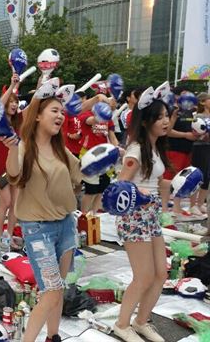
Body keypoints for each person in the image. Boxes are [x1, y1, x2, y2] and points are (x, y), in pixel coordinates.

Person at [4, 86, 82, 342]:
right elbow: (13, 176)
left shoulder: (62, 151)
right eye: (54, 111)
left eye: (62, 112)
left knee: (58, 290)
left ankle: (53, 336)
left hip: (66, 226)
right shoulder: (23, 147)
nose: (60, 116)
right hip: (37, 231)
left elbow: (80, 175)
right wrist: (11, 148)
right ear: (38, 115)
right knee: (51, 290)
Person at [112, 92, 170, 342]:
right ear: (146, 121)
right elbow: (119, 186)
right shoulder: (136, 150)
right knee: (144, 275)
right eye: (160, 117)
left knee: (161, 274)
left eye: (167, 116)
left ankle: (141, 321)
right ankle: (122, 324)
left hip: (151, 215)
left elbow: (158, 182)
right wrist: (140, 193)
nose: (166, 121)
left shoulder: (155, 147)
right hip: (134, 215)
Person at [0, 75, 23, 245]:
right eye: (11, 101)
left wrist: (42, 80)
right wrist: (12, 85)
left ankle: (8, 236)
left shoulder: (19, 122)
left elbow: (34, 105)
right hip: (1, 167)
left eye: (16, 102)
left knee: (15, 205)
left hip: (16, 166)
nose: (14, 104)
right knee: (6, 202)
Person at [78, 97, 119, 214]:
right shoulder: (86, 115)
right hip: (90, 155)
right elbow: (91, 120)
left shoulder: (108, 118)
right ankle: (84, 215)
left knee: (103, 188)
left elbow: (112, 136)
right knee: (91, 189)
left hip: (106, 155)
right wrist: (101, 113)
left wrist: (117, 148)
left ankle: (94, 213)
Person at [163, 87, 197, 220]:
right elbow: (167, 131)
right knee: (168, 179)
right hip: (174, 149)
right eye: (184, 96)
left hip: (187, 151)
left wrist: (196, 135)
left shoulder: (190, 112)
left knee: (181, 180)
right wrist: (185, 135)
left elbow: (192, 130)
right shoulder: (173, 110)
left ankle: (176, 206)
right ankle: (165, 207)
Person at [190, 92, 210, 217]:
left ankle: (201, 203)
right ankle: (193, 205)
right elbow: (195, 133)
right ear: (202, 102)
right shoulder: (197, 116)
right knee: (199, 175)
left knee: (207, 177)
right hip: (200, 148)